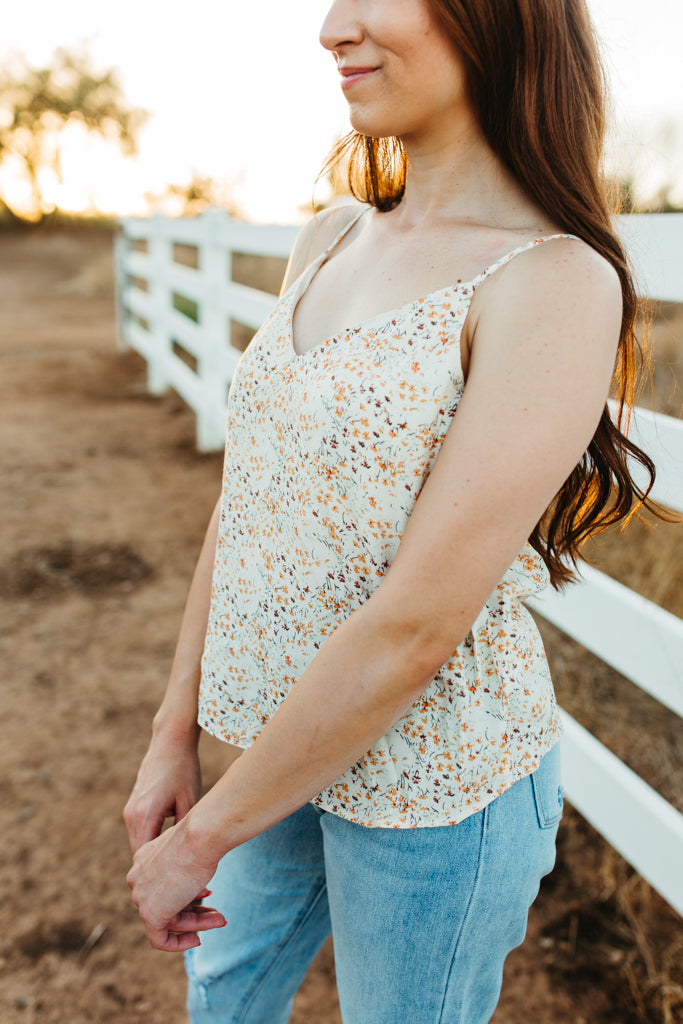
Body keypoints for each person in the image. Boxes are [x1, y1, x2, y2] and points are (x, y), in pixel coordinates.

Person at [124, 1, 660, 1021]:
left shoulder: (551, 280)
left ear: (497, 20)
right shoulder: (329, 236)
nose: (332, 26)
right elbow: (251, 499)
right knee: (222, 1002)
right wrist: (173, 731)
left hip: (435, 792)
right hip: (283, 750)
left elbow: (415, 628)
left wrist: (197, 843)